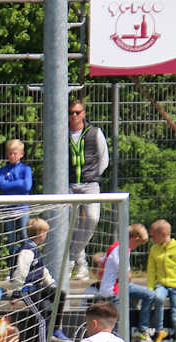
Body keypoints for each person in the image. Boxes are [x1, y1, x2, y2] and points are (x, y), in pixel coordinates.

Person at [10, 218, 72, 342]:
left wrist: (51, 284)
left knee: (59, 294)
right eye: (45, 232)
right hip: (27, 290)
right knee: (42, 318)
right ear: (40, 234)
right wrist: (16, 291)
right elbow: (21, 271)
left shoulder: (35, 249)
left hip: (37, 287)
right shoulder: (26, 250)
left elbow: (41, 270)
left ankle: (56, 329)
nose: (46, 235)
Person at [98, 223, 163, 342]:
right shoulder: (121, 249)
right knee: (116, 326)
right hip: (113, 290)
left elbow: (102, 262)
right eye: (138, 243)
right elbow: (125, 274)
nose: (137, 246)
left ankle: (142, 332)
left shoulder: (115, 246)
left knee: (149, 295)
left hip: (116, 287)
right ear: (134, 238)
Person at [67, 101, 110, 281]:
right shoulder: (61, 133)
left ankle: (70, 260)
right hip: (68, 185)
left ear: (84, 113)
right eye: (71, 112)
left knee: (92, 219)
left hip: (90, 184)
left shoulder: (95, 132)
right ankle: (81, 266)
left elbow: (104, 158)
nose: (74, 116)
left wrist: (93, 175)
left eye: (77, 112)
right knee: (72, 225)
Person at [0, 139, 32, 278]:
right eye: (10, 153)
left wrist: (11, 184)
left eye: (14, 153)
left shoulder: (26, 169)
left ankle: (27, 270)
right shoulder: (3, 170)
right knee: (11, 240)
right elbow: (2, 185)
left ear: (21, 154)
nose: (12, 156)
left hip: (23, 208)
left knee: (25, 237)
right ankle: (12, 270)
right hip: (8, 209)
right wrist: (19, 183)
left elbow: (27, 186)